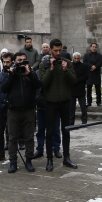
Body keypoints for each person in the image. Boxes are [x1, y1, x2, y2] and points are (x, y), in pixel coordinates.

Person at [38, 39, 77, 171]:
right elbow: (43, 83)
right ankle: (49, 159)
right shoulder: (44, 64)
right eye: (55, 51)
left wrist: (66, 71)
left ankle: (66, 157)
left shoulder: (68, 62)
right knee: (49, 132)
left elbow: (74, 81)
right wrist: (51, 69)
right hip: (50, 102)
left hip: (66, 101)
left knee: (66, 130)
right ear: (50, 50)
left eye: (60, 50)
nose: (58, 53)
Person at [70, 52, 90, 124]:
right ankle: (71, 121)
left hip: (80, 88)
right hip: (72, 89)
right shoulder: (70, 66)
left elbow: (86, 76)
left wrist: (77, 80)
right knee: (71, 107)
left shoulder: (83, 66)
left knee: (83, 106)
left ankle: (84, 120)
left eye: (77, 58)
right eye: (75, 58)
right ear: (73, 58)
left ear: (80, 58)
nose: (76, 60)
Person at [83, 43, 102, 107]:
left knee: (98, 89)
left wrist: (95, 67)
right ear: (90, 47)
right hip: (89, 74)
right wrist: (91, 66)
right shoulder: (86, 55)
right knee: (89, 89)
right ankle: (89, 102)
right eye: (93, 47)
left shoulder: (99, 55)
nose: (94, 48)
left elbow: (100, 62)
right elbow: (85, 63)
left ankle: (99, 102)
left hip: (96, 74)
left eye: (95, 47)